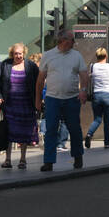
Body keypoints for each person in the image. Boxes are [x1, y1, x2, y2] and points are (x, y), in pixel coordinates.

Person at [35, 29, 87, 172]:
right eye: (71, 40)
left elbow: (84, 75)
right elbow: (40, 80)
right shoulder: (48, 55)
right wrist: (38, 99)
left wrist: (83, 90)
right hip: (53, 98)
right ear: (62, 40)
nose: (74, 43)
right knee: (51, 129)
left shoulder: (76, 55)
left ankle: (78, 157)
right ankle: (48, 161)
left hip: (72, 98)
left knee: (75, 129)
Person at [0, 43, 40, 170]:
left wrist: (38, 100)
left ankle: (23, 159)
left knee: (24, 132)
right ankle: (7, 160)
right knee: (8, 131)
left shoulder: (31, 66)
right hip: (9, 104)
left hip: (27, 104)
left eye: (20, 53)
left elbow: (38, 83)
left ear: (24, 53)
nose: (18, 56)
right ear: (12, 53)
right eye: (16, 53)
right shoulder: (5, 65)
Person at [85, 47, 109, 149]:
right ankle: (107, 143)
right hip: (108, 95)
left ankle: (89, 134)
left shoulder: (93, 66)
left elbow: (88, 77)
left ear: (96, 56)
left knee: (97, 119)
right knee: (107, 121)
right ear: (106, 56)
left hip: (97, 95)